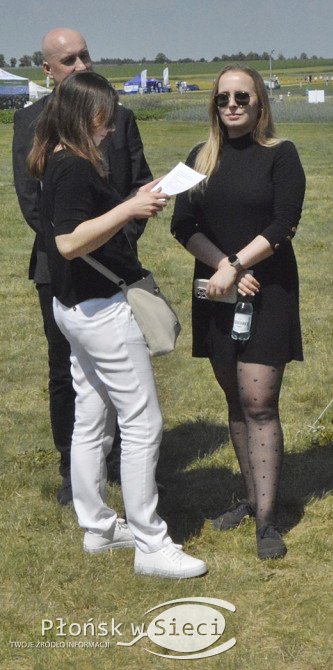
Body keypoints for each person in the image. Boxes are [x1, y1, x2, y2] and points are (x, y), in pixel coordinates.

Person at [27, 71, 207, 579]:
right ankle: (150, 542)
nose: (110, 128)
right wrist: (130, 205)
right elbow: (68, 241)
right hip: (100, 311)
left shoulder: (60, 160)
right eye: (104, 118)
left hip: (75, 308)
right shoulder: (73, 168)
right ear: (83, 116)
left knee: (92, 415)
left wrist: (136, 197)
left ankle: (98, 526)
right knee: (142, 422)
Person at [170, 64, 305, 561]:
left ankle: (267, 522)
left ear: (259, 103)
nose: (232, 105)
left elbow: (284, 222)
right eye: (224, 97)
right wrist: (224, 267)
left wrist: (240, 263)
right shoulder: (198, 159)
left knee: (259, 402)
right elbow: (182, 225)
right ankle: (251, 500)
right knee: (234, 399)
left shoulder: (281, 156)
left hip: (267, 290)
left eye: (242, 97)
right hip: (216, 288)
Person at [12, 28, 152, 505]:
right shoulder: (32, 121)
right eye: (69, 59)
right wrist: (86, 242)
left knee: (108, 383)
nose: (81, 65)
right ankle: (72, 467)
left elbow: (139, 183)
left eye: (85, 55)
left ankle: (112, 464)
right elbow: (36, 207)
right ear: (48, 71)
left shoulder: (119, 115)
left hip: (113, 266)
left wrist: (118, 238)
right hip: (61, 268)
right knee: (65, 374)